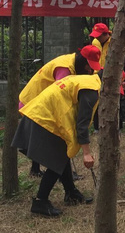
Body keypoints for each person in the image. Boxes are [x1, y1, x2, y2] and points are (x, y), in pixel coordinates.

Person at [12, 71, 102, 217]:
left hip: (43, 114)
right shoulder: (92, 91)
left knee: (63, 154)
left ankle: (70, 192)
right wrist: (86, 153)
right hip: (44, 118)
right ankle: (40, 201)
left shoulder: (87, 80)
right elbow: (82, 124)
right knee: (56, 160)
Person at [19, 45, 102, 177]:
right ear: (83, 61)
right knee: (56, 141)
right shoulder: (65, 69)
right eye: (89, 66)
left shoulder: (74, 64)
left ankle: (53, 175)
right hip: (33, 102)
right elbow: (60, 99)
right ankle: (51, 172)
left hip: (42, 105)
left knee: (56, 144)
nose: (90, 70)